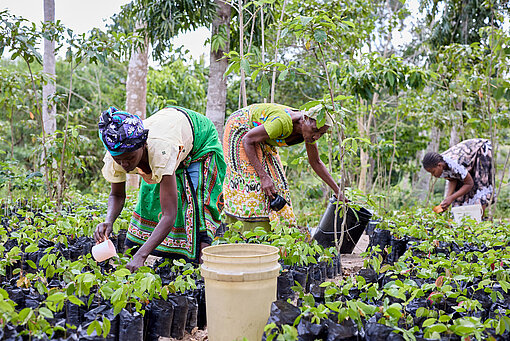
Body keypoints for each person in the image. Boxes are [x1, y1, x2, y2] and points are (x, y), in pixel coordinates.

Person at [94, 106, 225, 272]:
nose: (124, 164)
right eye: (119, 160)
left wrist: (142, 256)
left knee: (196, 208)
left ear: (143, 146)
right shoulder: (117, 152)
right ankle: (164, 258)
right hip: (170, 131)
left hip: (199, 140)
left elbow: (169, 215)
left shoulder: (161, 151)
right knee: (149, 201)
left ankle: (200, 267)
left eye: (129, 158)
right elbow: (117, 195)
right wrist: (108, 220)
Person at [222, 103, 342, 231]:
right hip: (241, 129)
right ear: (304, 119)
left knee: (279, 184)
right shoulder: (281, 123)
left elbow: (316, 162)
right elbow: (248, 140)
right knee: (254, 184)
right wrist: (263, 176)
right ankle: (246, 233)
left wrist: (337, 191)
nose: (316, 136)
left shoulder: (308, 133)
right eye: (315, 130)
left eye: (321, 134)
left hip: (261, 136)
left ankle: (279, 232)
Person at [422, 138, 494, 213]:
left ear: (439, 165)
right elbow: (452, 179)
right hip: (467, 161)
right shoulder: (441, 166)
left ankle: (479, 218)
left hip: (480, 149)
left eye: (433, 172)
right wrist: (447, 199)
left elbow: (469, 183)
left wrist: (452, 197)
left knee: (479, 185)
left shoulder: (455, 163)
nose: (433, 175)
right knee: (459, 190)